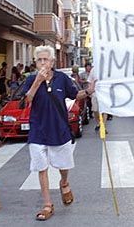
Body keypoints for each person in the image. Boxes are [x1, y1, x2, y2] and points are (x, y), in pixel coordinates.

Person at [21, 45, 92, 221]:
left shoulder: (61, 78)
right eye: (40, 60)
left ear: (52, 62)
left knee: (63, 165)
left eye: (46, 59)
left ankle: (64, 182)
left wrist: (90, 90)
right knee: (41, 167)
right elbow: (26, 100)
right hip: (38, 129)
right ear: (35, 62)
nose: (43, 63)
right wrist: (37, 81)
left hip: (59, 128)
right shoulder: (31, 79)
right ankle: (47, 204)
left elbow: (76, 95)